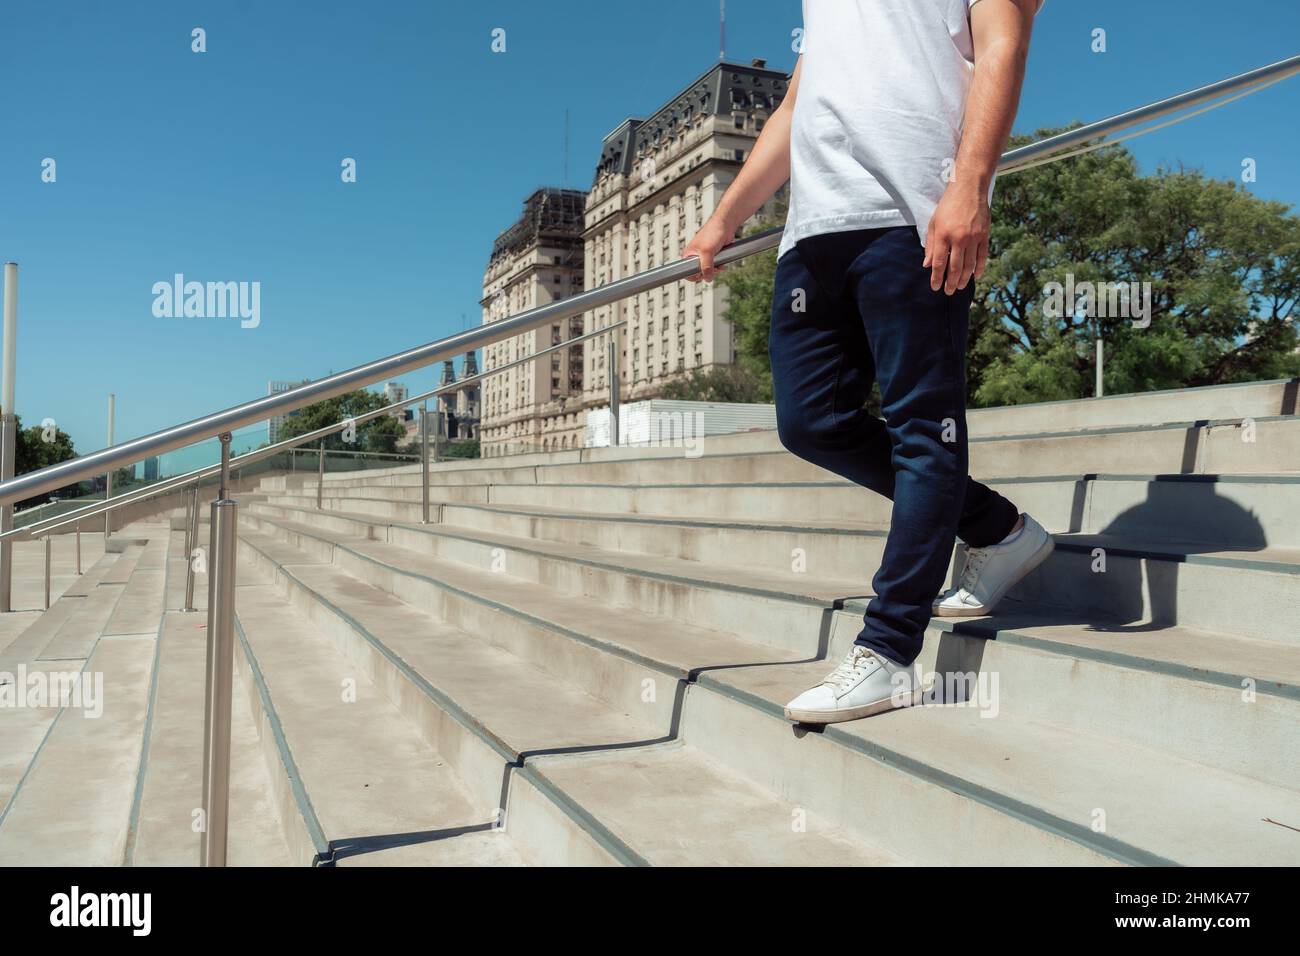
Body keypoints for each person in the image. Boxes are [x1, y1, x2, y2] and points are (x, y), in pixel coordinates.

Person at [684, 0, 1052, 724]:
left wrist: (970, 187)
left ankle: (888, 653)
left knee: (925, 428)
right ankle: (1002, 530)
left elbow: (1003, 46)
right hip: (814, 229)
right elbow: (796, 101)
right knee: (811, 422)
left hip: (913, 213)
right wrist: (726, 217)